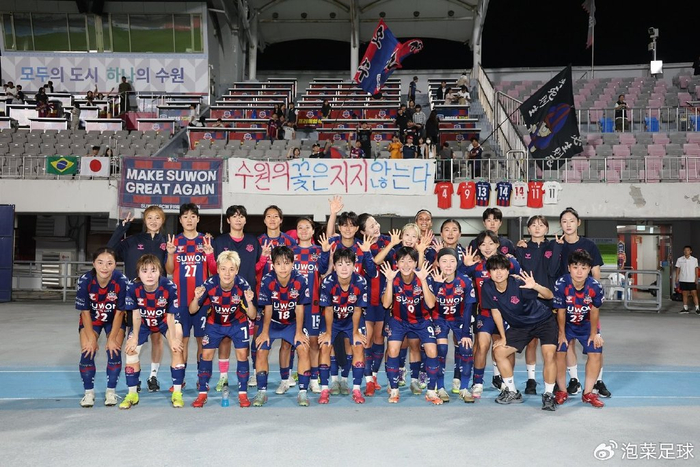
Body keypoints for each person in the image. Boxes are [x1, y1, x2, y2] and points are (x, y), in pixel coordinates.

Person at [481, 255, 558, 410]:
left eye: (502, 269)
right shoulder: (487, 287)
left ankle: (549, 394)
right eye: (494, 269)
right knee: (499, 352)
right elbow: (496, 312)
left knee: (549, 354)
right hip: (521, 326)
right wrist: (503, 337)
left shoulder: (519, 284)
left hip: (543, 321)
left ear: (508, 270)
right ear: (489, 272)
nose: (498, 273)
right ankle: (512, 391)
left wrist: (535, 286)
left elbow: (549, 295)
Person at [107, 207, 168, 391]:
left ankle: (153, 376)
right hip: (134, 299)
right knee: (134, 339)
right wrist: (122, 228)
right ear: (144, 220)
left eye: (157, 218)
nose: (153, 221)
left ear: (162, 220)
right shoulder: (132, 241)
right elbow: (110, 250)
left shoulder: (166, 243)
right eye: (150, 218)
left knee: (157, 338)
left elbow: (170, 268)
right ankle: (136, 376)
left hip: (158, 298)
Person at [190, 251, 257, 408]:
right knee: (206, 355)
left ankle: (242, 393)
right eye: (224, 269)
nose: (227, 273)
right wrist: (196, 298)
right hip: (215, 324)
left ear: (237, 270)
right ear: (218, 269)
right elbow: (192, 310)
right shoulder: (209, 284)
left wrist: (249, 302)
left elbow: (252, 315)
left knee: (242, 355)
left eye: (231, 269)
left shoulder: (243, 285)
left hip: (237, 323)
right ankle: (202, 394)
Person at [557, 206, 610, 398]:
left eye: (572, 221)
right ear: (560, 224)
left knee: (595, 340)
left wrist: (592, 293)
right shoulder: (557, 245)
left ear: (578, 223)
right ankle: (574, 380)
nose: (568, 224)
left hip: (586, 301)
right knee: (567, 343)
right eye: (564, 221)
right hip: (566, 299)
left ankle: (597, 381)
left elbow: (596, 272)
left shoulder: (589, 245)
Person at [120, 255, 184, 409]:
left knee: (177, 346)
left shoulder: (169, 286)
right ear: (138, 273)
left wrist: (173, 339)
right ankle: (132, 394)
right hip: (143, 321)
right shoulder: (133, 287)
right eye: (144, 271)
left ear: (160, 272)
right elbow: (135, 314)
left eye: (153, 270)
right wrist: (134, 337)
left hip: (164, 320)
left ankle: (177, 393)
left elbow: (171, 316)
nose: (149, 275)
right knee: (130, 350)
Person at [380, 247, 442, 404]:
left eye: (410, 261)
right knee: (393, 350)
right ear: (397, 263)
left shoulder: (423, 276)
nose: (406, 265)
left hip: (422, 320)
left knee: (432, 350)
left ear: (415, 263)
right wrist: (388, 281)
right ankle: (394, 389)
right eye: (402, 261)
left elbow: (431, 304)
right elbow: (386, 304)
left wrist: (423, 281)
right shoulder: (392, 277)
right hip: (399, 320)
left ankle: (431, 391)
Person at [462, 230, 521, 397]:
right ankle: (478, 383)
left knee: (506, 348)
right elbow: (457, 278)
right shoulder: (476, 266)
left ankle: (507, 382)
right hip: (485, 314)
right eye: (483, 244)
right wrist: (465, 265)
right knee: (482, 345)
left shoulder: (510, 263)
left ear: (497, 244)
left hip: (507, 315)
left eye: (491, 243)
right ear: (479, 247)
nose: (487, 247)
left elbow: (519, 281)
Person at [165, 203, 216, 392]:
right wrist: (170, 254)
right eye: (185, 216)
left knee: (202, 341)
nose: (189, 219)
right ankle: (179, 380)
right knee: (182, 340)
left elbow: (213, 271)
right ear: (180, 220)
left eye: (193, 216)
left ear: (198, 219)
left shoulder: (205, 241)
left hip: (202, 301)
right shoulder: (175, 241)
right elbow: (169, 270)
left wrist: (210, 254)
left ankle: (203, 380)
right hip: (180, 300)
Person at [253, 246, 312, 407]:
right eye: (278, 263)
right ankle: (262, 392)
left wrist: (299, 332)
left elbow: (300, 308)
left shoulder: (300, 280)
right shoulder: (268, 280)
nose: (283, 267)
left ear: (293, 263)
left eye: (286, 263)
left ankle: (302, 392)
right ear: (273, 265)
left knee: (303, 347)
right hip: (272, 322)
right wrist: (265, 332)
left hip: (292, 323)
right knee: (261, 349)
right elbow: (267, 308)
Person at [212, 205, 263, 389]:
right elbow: (214, 268)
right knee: (225, 338)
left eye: (241, 216)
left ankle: (252, 374)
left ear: (245, 220)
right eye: (234, 216)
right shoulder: (219, 241)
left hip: (248, 297)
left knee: (250, 339)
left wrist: (264, 258)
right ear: (228, 220)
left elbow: (257, 268)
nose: (238, 219)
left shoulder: (253, 241)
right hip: (224, 298)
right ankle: (223, 377)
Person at [515, 215, 563, 395]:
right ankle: (531, 380)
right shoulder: (522, 248)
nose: (537, 228)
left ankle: (553, 380)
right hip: (528, 301)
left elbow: (552, 270)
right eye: (533, 225)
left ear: (547, 229)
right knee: (531, 343)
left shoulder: (553, 246)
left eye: (541, 225)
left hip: (548, 299)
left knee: (550, 344)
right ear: (528, 229)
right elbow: (517, 273)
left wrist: (557, 248)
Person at [75, 248, 129, 408]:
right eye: (100, 262)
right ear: (93, 264)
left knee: (114, 350)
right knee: (87, 350)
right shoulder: (85, 280)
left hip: (114, 318)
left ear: (115, 265)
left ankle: (110, 392)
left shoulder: (121, 281)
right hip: (92, 317)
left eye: (109, 263)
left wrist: (111, 338)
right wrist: (92, 338)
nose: (105, 267)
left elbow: (120, 312)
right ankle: (88, 393)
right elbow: (85, 312)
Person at [553, 250, 606, 408]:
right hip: (566, 324)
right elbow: (561, 312)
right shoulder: (561, 284)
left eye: (583, 268)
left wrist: (594, 334)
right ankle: (562, 391)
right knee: (560, 351)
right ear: (569, 268)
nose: (579, 272)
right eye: (575, 267)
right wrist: (562, 334)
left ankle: (588, 393)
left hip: (586, 324)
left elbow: (595, 311)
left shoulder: (595, 287)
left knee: (596, 351)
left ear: (589, 269)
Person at [318, 248, 368, 404]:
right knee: (325, 346)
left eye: (348, 264)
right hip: (332, 320)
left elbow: (358, 309)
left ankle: (356, 390)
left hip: (352, 320)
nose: (344, 268)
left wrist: (355, 332)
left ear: (354, 265)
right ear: (334, 267)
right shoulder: (328, 283)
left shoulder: (360, 282)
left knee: (358, 346)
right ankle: (325, 389)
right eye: (340, 264)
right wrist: (328, 333)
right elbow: (328, 309)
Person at [257, 205, 297, 393]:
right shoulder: (258, 241)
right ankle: (256, 373)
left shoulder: (290, 241)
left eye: (276, 216)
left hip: (287, 297)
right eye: (268, 216)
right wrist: (263, 259)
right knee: (259, 338)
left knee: (288, 342)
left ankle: (286, 376)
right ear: (264, 220)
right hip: (264, 296)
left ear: (281, 220)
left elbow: (295, 267)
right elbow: (254, 268)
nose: (272, 219)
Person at [430, 247, 477, 402]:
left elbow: (469, 307)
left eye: (452, 261)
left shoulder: (465, 281)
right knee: (441, 349)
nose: (448, 265)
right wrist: (436, 286)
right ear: (438, 263)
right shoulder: (432, 279)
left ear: (457, 263)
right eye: (444, 261)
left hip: (459, 319)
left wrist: (466, 333)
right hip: (439, 319)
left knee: (466, 348)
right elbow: (428, 305)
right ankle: (440, 387)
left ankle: (464, 388)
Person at [675, 245, 699, 314]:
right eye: (685, 250)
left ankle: (697, 308)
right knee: (684, 294)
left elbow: (696, 269)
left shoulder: (694, 260)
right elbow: (678, 268)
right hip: (683, 279)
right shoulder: (680, 259)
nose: (686, 251)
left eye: (688, 250)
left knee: (694, 293)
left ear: (690, 251)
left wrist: (696, 278)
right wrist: (677, 277)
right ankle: (685, 308)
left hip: (691, 279)